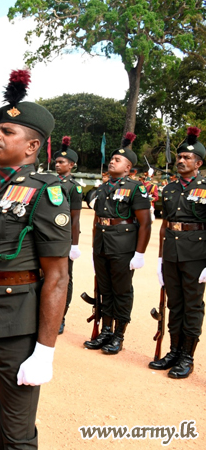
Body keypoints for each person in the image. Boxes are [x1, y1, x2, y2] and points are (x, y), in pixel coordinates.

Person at [0, 69, 70, 450]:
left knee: (17, 433)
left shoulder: (46, 192)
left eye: (8, 132)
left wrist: (45, 350)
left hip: (15, 327)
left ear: (32, 148)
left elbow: (57, 277)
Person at [84, 133, 151, 354]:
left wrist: (139, 253)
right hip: (102, 245)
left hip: (123, 246)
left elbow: (145, 223)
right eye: (112, 159)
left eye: (118, 160)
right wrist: (95, 244)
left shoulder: (135, 188)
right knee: (105, 289)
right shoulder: (103, 188)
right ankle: (105, 330)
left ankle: (119, 335)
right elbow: (97, 219)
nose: (112, 161)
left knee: (121, 291)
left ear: (128, 167)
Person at [153, 127, 206, 379]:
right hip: (172, 253)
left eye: (187, 158)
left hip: (196, 254)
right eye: (180, 156)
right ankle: (174, 350)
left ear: (198, 163)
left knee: (192, 305)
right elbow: (165, 225)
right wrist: (161, 257)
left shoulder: (205, 187)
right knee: (175, 303)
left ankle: (187, 355)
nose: (181, 160)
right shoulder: (169, 189)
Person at [53, 136, 83, 334]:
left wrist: (74, 244)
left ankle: (61, 316)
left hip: (63, 238)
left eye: (61, 162)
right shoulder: (49, 182)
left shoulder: (74, 187)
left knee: (64, 279)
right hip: (47, 236)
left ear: (71, 165)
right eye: (56, 162)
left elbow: (75, 218)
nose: (57, 165)